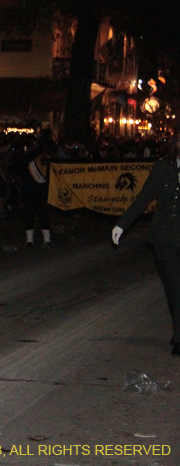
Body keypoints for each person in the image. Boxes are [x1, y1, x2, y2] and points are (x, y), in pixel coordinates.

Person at [112, 127, 180, 357]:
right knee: (173, 287)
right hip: (164, 236)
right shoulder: (162, 167)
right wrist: (122, 224)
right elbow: (143, 197)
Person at [22, 139, 53, 248]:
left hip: (35, 191)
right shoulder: (32, 160)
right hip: (35, 191)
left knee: (38, 214)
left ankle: (37, 240)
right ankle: (34, 240)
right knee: (37, 214)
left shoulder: (30, 159)